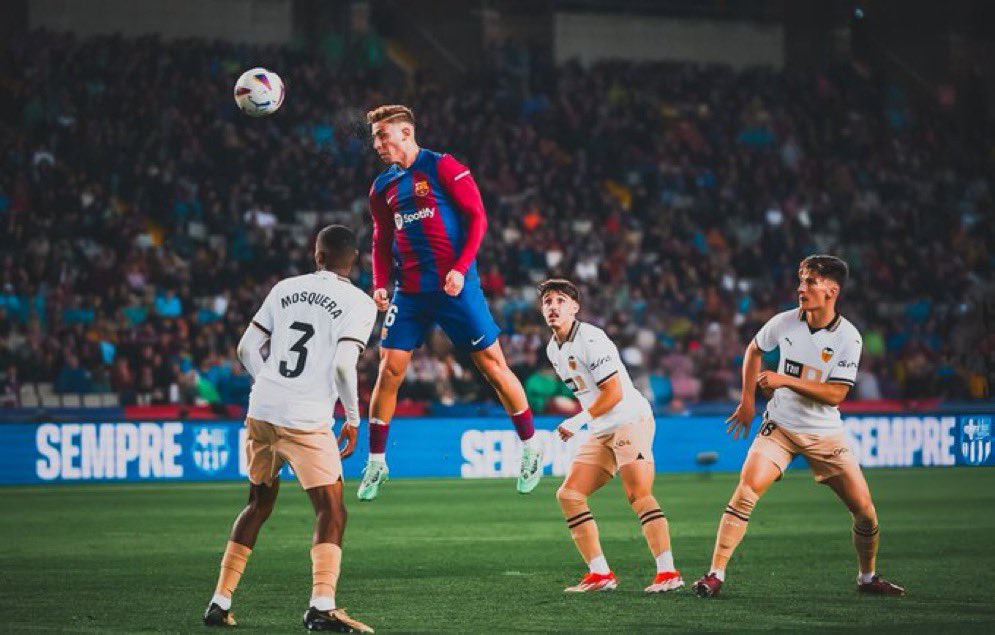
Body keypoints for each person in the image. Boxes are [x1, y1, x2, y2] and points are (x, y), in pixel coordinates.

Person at [358, 104, 542, 500]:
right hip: (409, 291)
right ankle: (375, 462)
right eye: (375, 137)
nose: (376, 144)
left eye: (382, 136)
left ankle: (530, 446)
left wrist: (460, 268)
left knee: (493, 367)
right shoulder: (381, 187)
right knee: (388, 370)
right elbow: (380, 239)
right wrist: (378, 282)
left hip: (454, 285)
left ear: (405, 133)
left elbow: (478, 218)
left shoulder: (443, 167)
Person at [693, 255, 905, 598]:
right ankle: (714, 574)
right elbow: (753, 350)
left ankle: (868, 578)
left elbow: (836, 393)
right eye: (801, 280)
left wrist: (785, 381)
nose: (801, 287)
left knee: (865, 513)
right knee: (745, 492)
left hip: (824, 435)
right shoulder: (784, 322)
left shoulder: (848, 338)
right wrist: (747, 402)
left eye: (810, 282)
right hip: (780, 426)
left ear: (831, 291)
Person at [203, 225, 376, 632]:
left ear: (317, 255)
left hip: (262, 409)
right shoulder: (360, 303)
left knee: (258, 504)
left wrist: (271, 386)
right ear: (354, 261)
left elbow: (246, 349)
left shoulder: (284, 288)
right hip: (307, 418)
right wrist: (352, 419)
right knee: (331, 510)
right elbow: (341, 365)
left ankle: (219, 601)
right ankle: (321, 605)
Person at [539, 279, 683, 593]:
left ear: (575, 307)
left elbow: (614, 392)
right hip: (601, 427)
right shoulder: (553, 349)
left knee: (638, 494)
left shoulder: (592, 338)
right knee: (569, 495)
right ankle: (600, 574)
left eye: (560, 300)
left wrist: (577, 422)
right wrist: (586, 419)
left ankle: (668, 572)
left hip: (630, 419)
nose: (553, 306)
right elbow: (588, 393)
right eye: (547, 301)